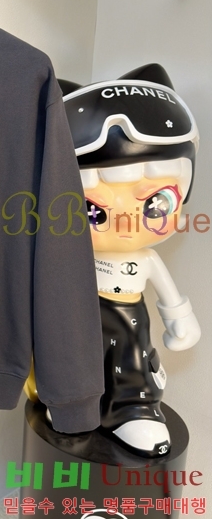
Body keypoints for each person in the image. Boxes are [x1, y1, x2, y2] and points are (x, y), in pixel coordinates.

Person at [58, 63, 201, 457]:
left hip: (128, 322)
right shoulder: (69, 257)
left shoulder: (147, 258)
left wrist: (180, 319)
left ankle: (132, 409)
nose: (125, 223)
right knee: (71, 360)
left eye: (154, 203)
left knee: (131, 362)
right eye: (93, 210)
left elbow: (169, 295)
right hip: (79, 319)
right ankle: (71, 405)